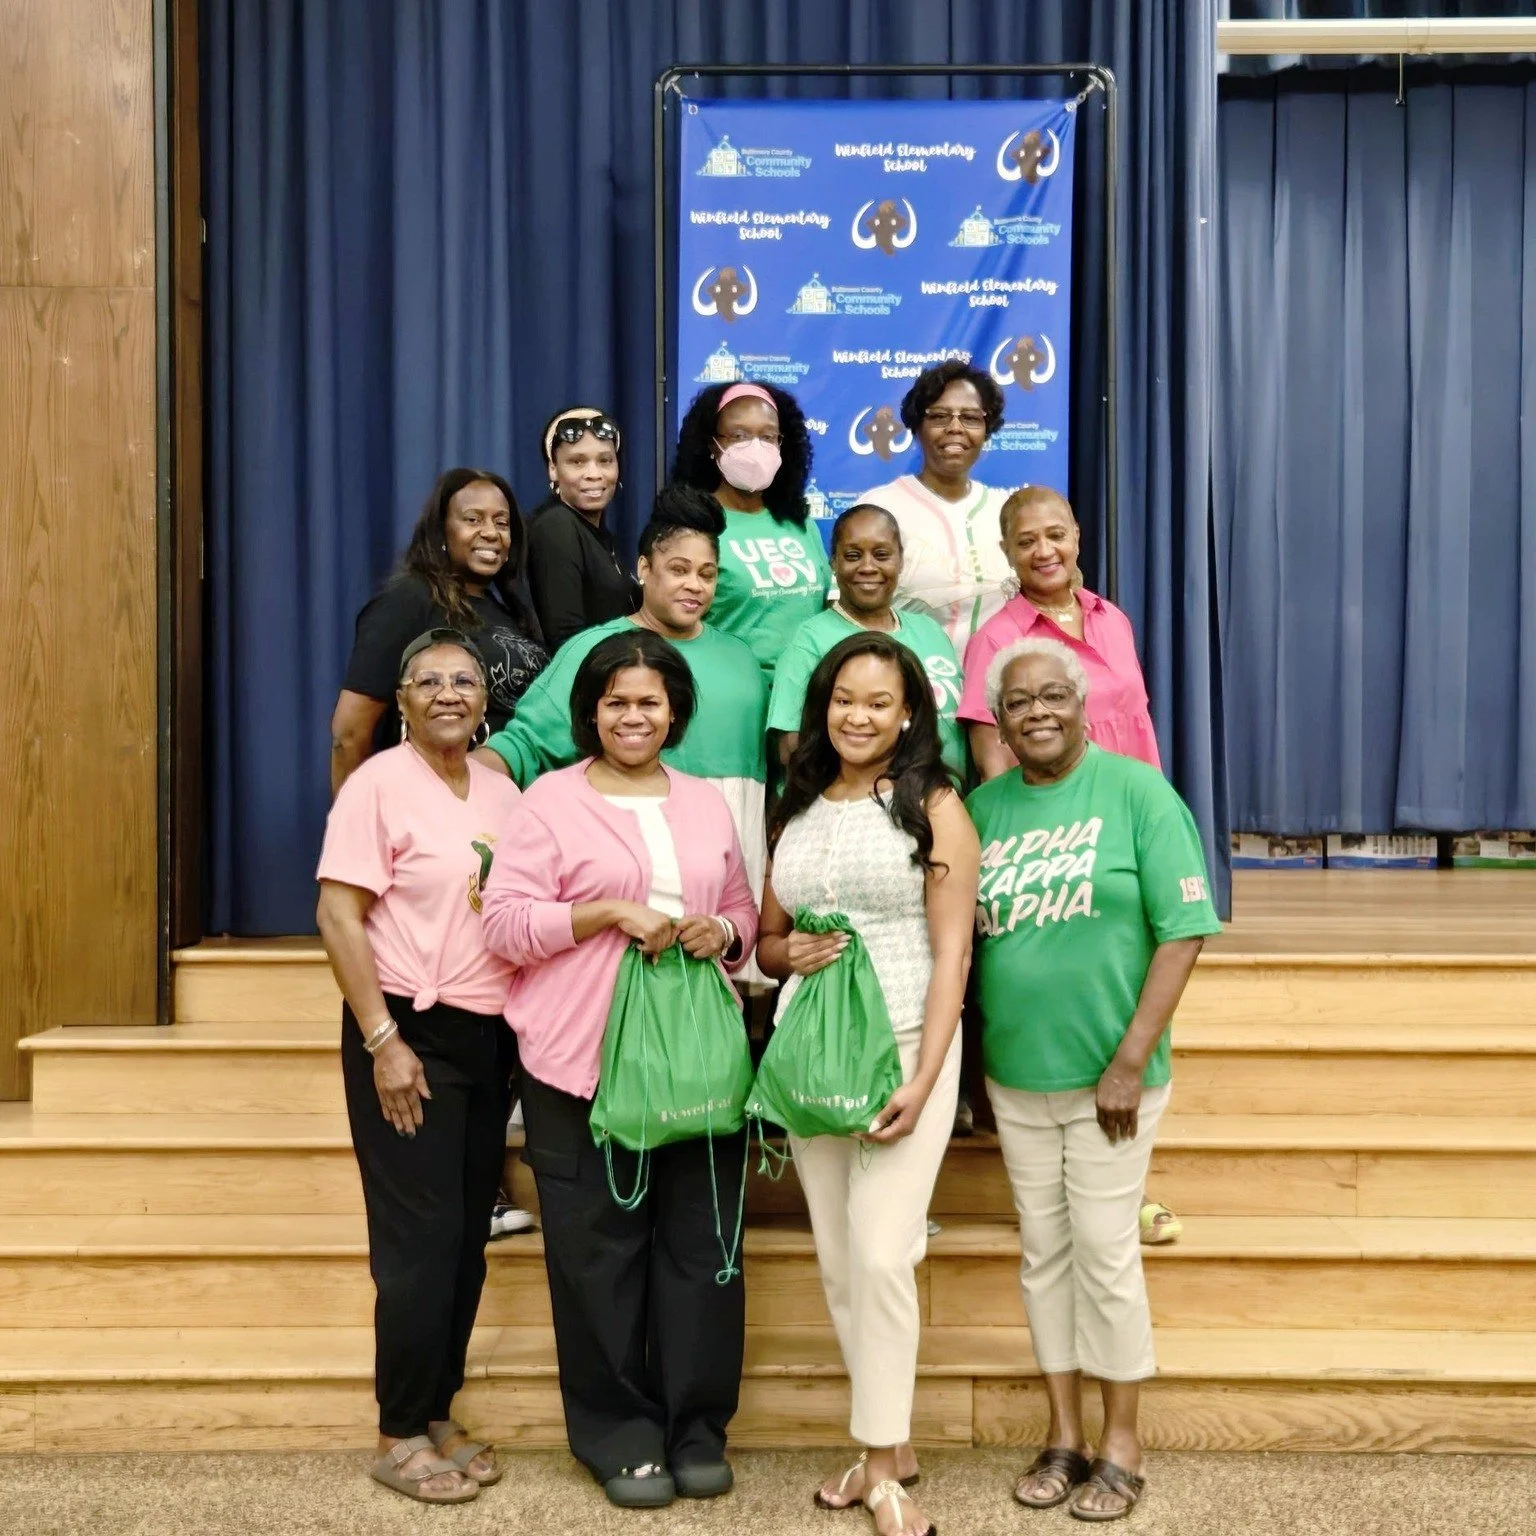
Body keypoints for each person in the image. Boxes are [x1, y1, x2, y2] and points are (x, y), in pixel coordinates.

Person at [480, 629, 760, 1509]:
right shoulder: (548, 801)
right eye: (615, 702)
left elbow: (743, 909)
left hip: (698, 1068)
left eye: (648, 701)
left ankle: (696, 1428)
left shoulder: (708, 802)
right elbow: (504, 926)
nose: (632, 716)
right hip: (581, 1066)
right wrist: (600, 912)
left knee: (703, 1252)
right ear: (589, 713)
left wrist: (727, 935)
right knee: (598, 1259)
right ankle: (619, 1435)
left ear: (675, 710)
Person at [966, 638, 1220, 1522]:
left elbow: (1183, 930)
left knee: (1107, 1254)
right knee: (1046, 1258)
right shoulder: (985, 808)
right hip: (1016, 1077)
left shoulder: (1138, 793)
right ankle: (1064, 1436)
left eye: (1053, 698)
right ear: (996, 720)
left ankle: (1122, 1445)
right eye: (1018, 702)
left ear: (1083, 706)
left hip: (1114, 1083)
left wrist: (1127, 1059)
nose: (1037, 713)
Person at [758, 633, 979, 1536]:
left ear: (909, 713)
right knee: (844, 1265)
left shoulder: (933, 801)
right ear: (823, 705)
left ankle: (883, 1467)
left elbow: (955, 947)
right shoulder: (798, 800)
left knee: (885, 1254)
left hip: (900, 1042)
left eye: (878, 703)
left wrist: (927, 1078)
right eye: (843, 699)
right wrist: (784, 952)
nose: (858, 716)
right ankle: (889, 1449)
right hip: (813, 1047)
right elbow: (768, 937)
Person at [316, 629, 521, 1505]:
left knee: (467, 1242)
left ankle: (437, 1409)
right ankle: (398, 1427)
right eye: (427, 681)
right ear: (398, 699)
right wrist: (380, 1040)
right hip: (407, 1033)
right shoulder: (376, 786)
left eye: (464, 680)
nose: (448, 693)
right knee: (417, 1245)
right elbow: (337, 914)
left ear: (484, 699)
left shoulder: (503, 788)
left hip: (488, 1037)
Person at [958, 486, 1176, 1240]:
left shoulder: (1112, 619)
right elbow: (994, 761)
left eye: (1056, 533)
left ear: (1078, 534)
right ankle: (1087, 1200)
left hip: (1129, 842)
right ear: (1007, 553)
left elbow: (1136, 730)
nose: (1044, 549)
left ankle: (1122, 1190)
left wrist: (1157, 834)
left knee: (1135, 1010)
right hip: (1056, 858)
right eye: (1026, 541)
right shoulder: (997, 638)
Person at [478, 485, 769, 982]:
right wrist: (442, 790)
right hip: (623, 914)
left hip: (720, 896)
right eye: (678, 569)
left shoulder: (742, 657)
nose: (694, 585)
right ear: (644, 568)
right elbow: (520, 746)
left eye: (707, 573)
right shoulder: (597, 649)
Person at [330, 468, 548, 795]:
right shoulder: (410, 601)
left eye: (501, 523)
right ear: (441, 532)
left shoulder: (511, 612)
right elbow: (350, 733)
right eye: (473, 520)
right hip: (438, 809)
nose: (491, 532)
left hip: (512, 809)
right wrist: (359, 830)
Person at [768, 503, 966, 783]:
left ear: (901, 561)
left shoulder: (930, 631)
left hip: (946, 805)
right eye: (852, 555)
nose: (868, 567)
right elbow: (791, 747)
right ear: (834, 563)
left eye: (882, 554)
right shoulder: (811, 640)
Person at [670, 381, 831, 685]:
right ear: (711, 444)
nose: (756, 447)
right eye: (739, 436)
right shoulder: (695, 523)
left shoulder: (799, 521)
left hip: (806, 698)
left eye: (768, 436)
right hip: (729, 693)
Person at [856, 359, 1014, 656]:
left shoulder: (1005, 511)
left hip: (998, 690)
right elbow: (850, 615)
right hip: (911, 687)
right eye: (939, 417)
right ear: (917, 427)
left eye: (970, 418)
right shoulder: (878, 508)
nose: (955, 428)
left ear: (986, 429)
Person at [525, 406, 639, 649]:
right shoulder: (556, 527)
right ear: (553, 469)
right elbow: (566, 639)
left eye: (605, 461)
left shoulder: (599, 535)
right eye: (577, 462)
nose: (593, 474)